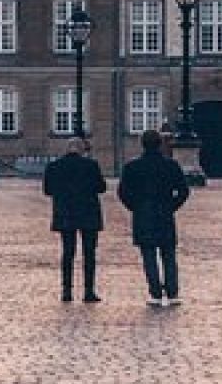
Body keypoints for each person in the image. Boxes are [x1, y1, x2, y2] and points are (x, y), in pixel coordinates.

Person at [117, 129, 191, 307]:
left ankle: (156, 293)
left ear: (142, 144)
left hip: (143, 214)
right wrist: (172, 207)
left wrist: (134, 207)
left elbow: (123, 192)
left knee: (149, 255)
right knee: (169, 255)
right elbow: (183, 191)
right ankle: (173, 293)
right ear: (160, 144)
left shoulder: (132, 166)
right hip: (164, 213)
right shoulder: (170, 165)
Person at [43, 137, 106, 302]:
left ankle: (66, 290)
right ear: (82, 150)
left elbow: (47, 190)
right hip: (88, 213)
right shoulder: (91, 166)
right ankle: (88, 291)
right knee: (89, 253)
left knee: (68, 253)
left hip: (65, 213)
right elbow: (101, 187)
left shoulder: (54, 166)